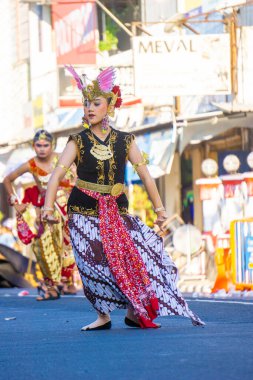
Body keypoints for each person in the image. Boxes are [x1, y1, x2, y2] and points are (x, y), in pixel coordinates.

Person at [42, 66, 205, 329]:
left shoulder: (126, 140)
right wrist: (48, 206)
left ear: (111, 106)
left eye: (96, 103)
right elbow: (57, 174)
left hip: (117, 210)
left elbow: (147, 176)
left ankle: (133, 310)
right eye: (86, 103)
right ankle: (103, 316)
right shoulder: (77, 140)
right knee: (90, 264)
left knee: (134, 258)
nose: (90, 108)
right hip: (83, 209)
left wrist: (160, 208)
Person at [3, 130, 76, 300]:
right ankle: (50, 286)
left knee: (68, 248)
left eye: (46, 145)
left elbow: (78, 177)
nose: (42, 149)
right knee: (42, 246)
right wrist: (15, 201)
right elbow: (7, 179)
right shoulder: (31, 164)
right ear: (33, 146)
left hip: (67, 211)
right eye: (38, 145)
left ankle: (67, 283)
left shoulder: (62, 158)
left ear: (52, 146)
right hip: (47, 211)